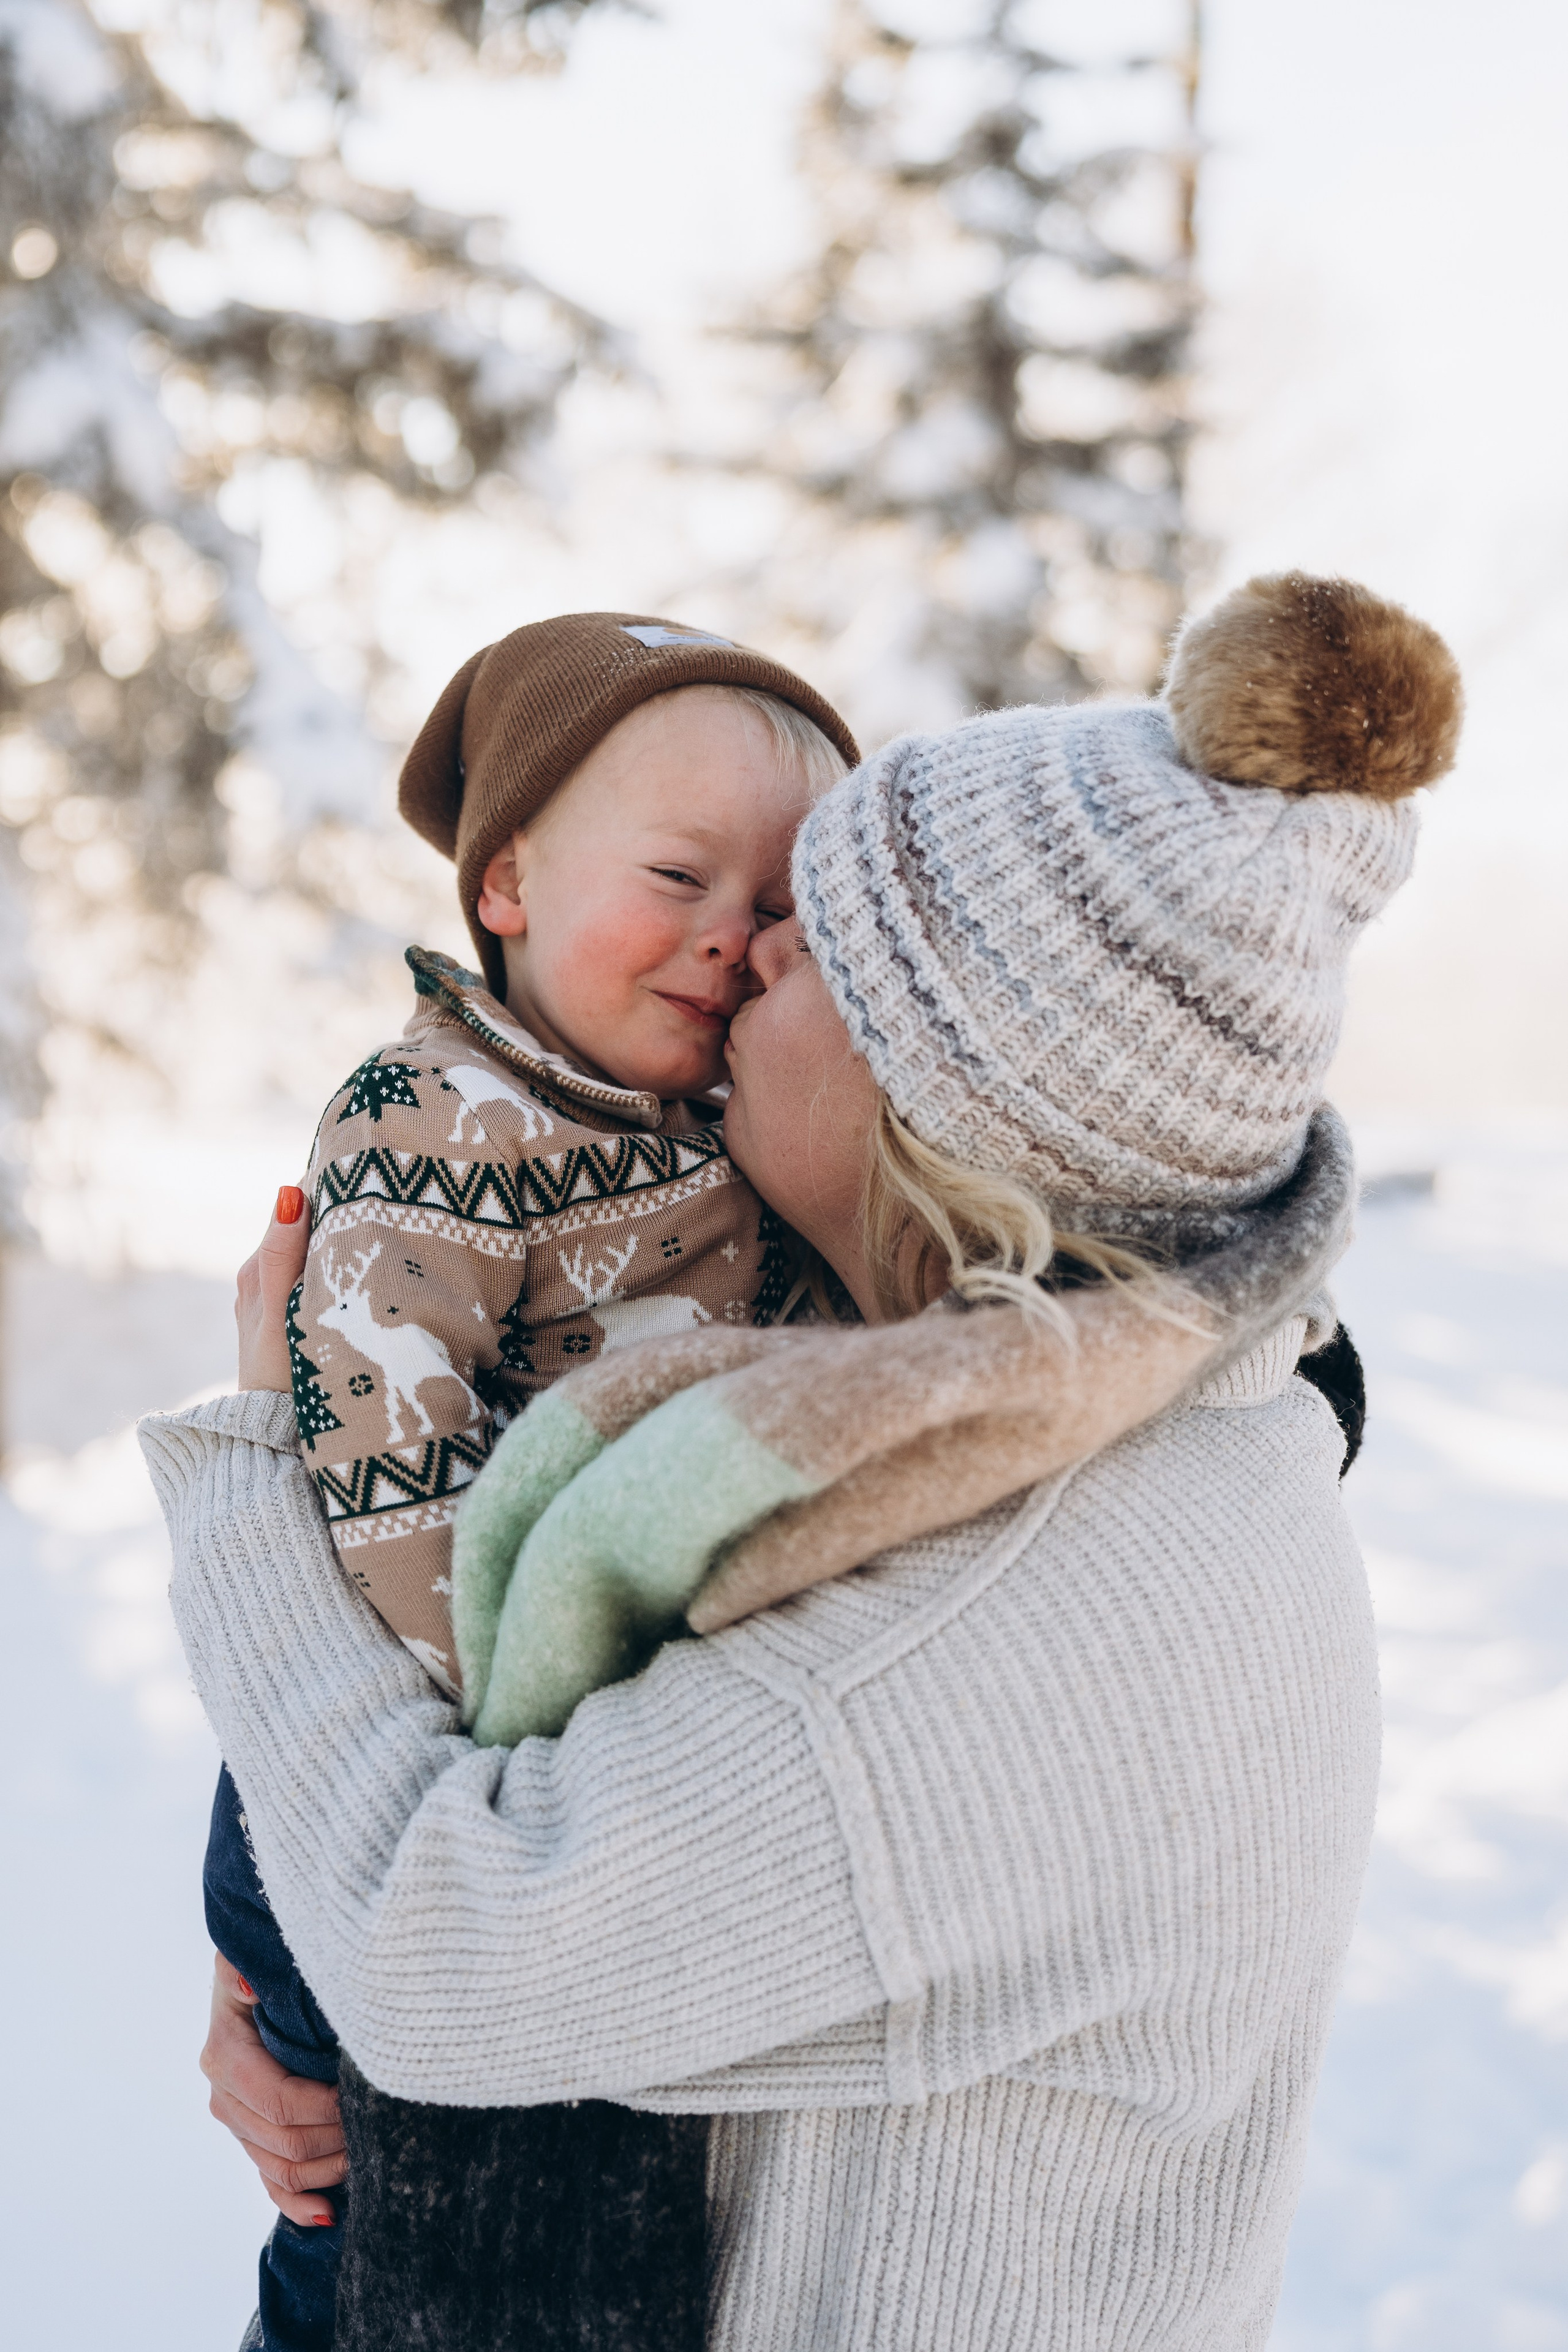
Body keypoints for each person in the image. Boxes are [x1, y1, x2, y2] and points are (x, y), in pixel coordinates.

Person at [146, 570, 1461, 2351]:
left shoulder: (1000, 1608)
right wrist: (297, 1962)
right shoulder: (1088, 1426)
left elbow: (435, 1957)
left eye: (810, 932)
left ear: (952, 1102)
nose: (744, 949)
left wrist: (252, 1479)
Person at [201, 611, 858, 2351]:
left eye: (782, 906)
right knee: (356, 2216)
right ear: (505, 886)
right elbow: (381, 1465)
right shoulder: (438, 1121)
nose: (733, 938)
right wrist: (511, 1743)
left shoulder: (724, 1128)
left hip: (543, 1764)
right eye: (678, 875)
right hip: (395, 1720)